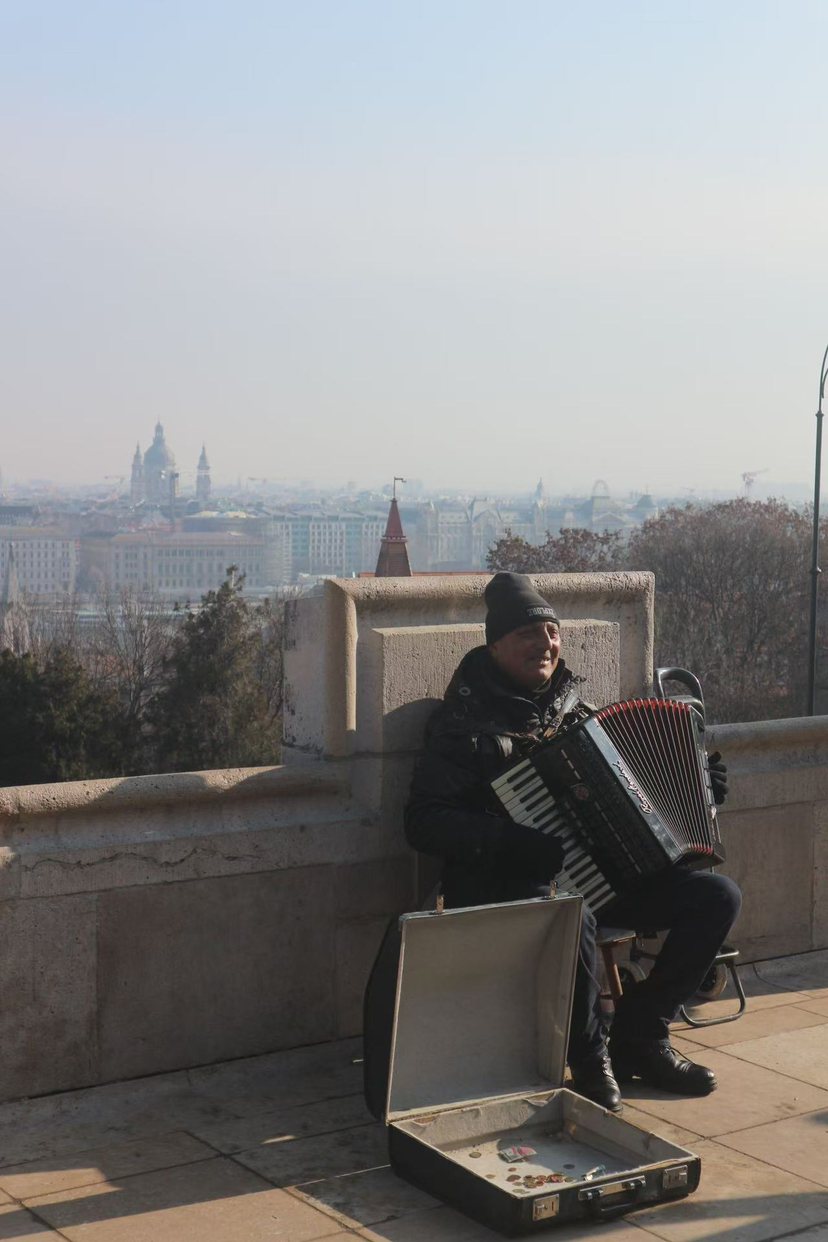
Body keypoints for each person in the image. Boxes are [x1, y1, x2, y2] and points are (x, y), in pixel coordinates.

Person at [404, 571, 741, 1113]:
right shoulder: (460, 725)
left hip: (599, 880)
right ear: (494, 647)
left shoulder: (576, 713)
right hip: (508, 885)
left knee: (717, 896)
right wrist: (510, 841)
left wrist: (701, 786)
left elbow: (638, 803)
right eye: (527, 634)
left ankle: (642, 1035)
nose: (545, 644)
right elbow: (424, 822)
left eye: (552, 632)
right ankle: (588, 1057)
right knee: (572, 911)